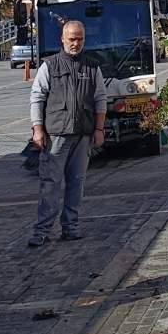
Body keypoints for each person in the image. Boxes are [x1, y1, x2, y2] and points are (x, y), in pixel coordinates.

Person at [26, 20, 107, 247]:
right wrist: (37, 129)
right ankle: (42, 230)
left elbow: (100, 99)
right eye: (72, 39)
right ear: (62, 39)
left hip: (83, 135)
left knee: (76, 183)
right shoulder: (49, 66)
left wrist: (99, 129)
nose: (76, 43)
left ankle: (71, 227)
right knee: (50, 183)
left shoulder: (92, 67)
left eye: (80, 39)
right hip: (56, 135)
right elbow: (37, 97)